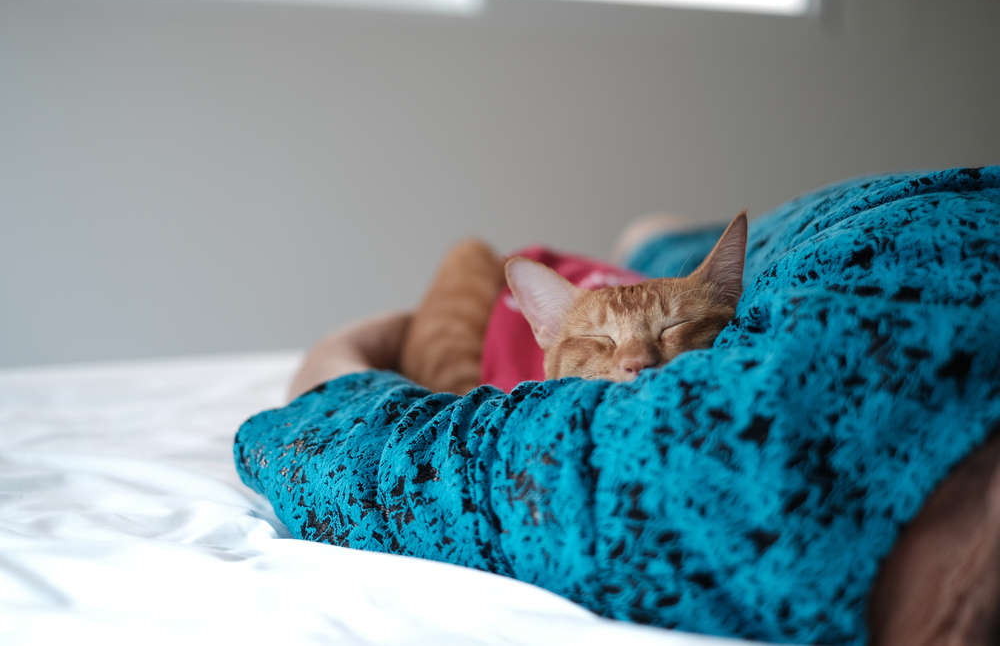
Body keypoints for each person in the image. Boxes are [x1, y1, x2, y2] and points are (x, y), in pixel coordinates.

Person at [237, 167, 1000, 646]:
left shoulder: (695, 466)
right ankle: (655, 241)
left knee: (664, 257)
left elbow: (351, 440)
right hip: (822, 228)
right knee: (662, 252)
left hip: (817, 232)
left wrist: (351, 346)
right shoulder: (715, 453)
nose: (634, 365)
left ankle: (654, 241)